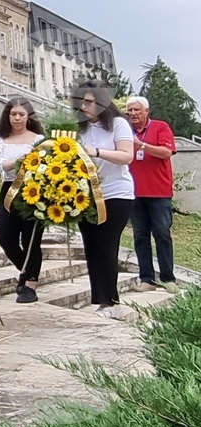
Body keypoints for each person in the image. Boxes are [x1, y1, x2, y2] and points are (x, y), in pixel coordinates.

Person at [74, 81, 135, 319]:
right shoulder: (79, 129)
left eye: (88, 101)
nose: (84, 106)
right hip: (85, 196)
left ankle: (110, 302)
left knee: (105, 245)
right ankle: (102, 300)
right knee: (91, 246)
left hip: (116, 194)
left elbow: (126, 156)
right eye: (80, 101)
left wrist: (97, 152)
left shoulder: (118, 124)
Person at [0, 98, 45, 303]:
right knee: (6, 238)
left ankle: (30, 283)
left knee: (31, 239)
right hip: (9, 190)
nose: (18, 118)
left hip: (34, 190)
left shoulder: (38, 139)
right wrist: (17, 162)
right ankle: (27, 271)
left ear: (28, 116)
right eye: (14, 114)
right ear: (8, 116)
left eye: (22, 114)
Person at [126, 95, 179, 293]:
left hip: (159, 192)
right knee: (140, 236)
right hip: (134, 193)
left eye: (137, 110)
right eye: (130, 110)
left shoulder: (160, 127)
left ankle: (168, 278)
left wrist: (142, 145)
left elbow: (166, 152)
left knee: (162, 233)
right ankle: (146, 278)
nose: (132, 114)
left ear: (146, 111)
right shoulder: (125, 132)